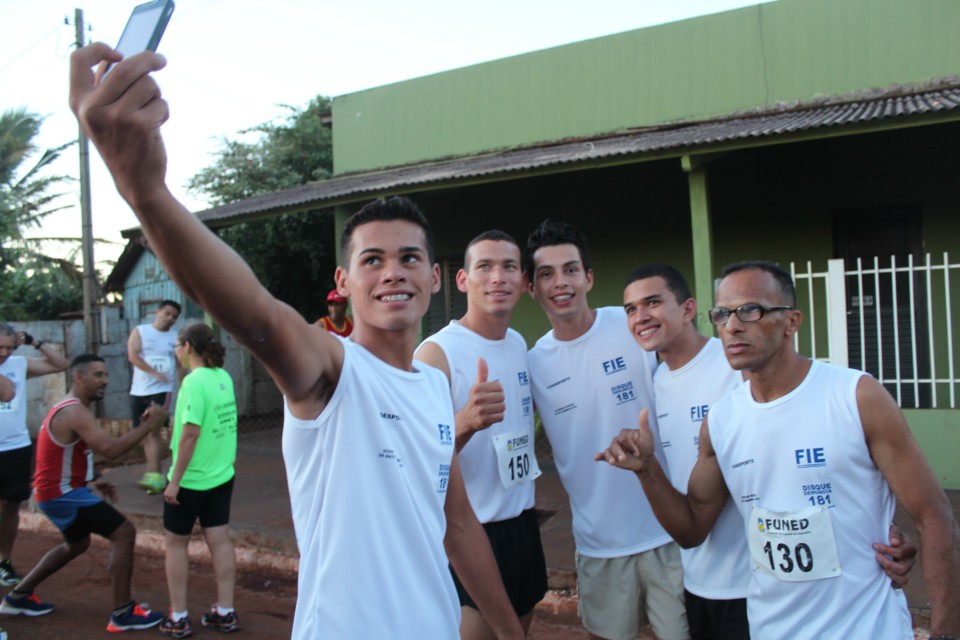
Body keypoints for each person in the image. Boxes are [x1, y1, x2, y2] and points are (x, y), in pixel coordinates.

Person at [69, 43, 524, 639]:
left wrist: (511, 633)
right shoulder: (331, 370)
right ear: (344, 281)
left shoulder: (436, 386)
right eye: (373, 259)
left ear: (434, 278)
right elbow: (258, 315)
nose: (393, 271)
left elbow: (459, 526)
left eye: (410, 257)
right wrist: (147, 193)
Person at [597, 261, 960, 638]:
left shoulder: (856, 396)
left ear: (791, 321)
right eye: (722, 314)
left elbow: (934, 515)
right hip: (769, 628)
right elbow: (691, 530)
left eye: (750, 311)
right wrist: (647, 469)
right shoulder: (721, 420)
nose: (732, 326)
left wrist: (946, 631)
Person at [524, 221, 689, 640]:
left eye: (570, 269)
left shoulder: (633, 325)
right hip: (600, 544)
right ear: (532, 288)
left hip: (670, 529)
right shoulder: (533, 363)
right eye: (546, 274)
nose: (560, 283)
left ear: (589, 277)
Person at [415, 230, 547, 638]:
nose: (498, 277)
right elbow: (417, 460)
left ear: (524, 283)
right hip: (469, 534)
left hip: (522, 525)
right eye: (485, 267)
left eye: (509, 267)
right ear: (462, 280)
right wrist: (465, 422)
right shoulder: (435, 354)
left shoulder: (518, 343)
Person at [0, 354, 166, 632]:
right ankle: (123, 613)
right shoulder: (74, 411)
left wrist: (94, 478)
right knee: (124, 533)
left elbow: (69, 452)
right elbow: (110, 449)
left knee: (77, 544)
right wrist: (149, 426)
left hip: (55, 492)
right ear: (79, 377)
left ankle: (18, 596)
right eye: (98, 375)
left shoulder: (71, 408)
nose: (106, 380)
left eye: (105, 374)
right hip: (61, 494)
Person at [159, 323, 238, 638]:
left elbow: (190, 434)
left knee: (176, 544)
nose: (175, 350)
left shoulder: (194, 383)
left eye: (177, 345)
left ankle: (178, 617)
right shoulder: (222, 377)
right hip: (221, 476)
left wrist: (174, 481)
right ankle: (225, 611)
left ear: (188, 346)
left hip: (191, 480)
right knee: (219, 540)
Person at [0, 323, 69, 587]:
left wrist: (35, 342)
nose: (5, 353)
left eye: (9, 346)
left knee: (11, 505)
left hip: (15, 446)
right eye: (0, 347)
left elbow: (61, 364)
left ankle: (4, 561)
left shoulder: (19, 364)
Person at [127, 299, 183, 494]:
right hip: (139, 390)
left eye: (174, 317)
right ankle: (154, 476)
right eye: (167, 314)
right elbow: (133, 356)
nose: (170, 319)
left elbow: (180, 364)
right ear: (158, 312)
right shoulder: (140, 331)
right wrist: (153, 372)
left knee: (154, 432)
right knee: (144, 433)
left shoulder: (175, 337)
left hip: (162, 391)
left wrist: (184, 386)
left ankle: (155, 476)